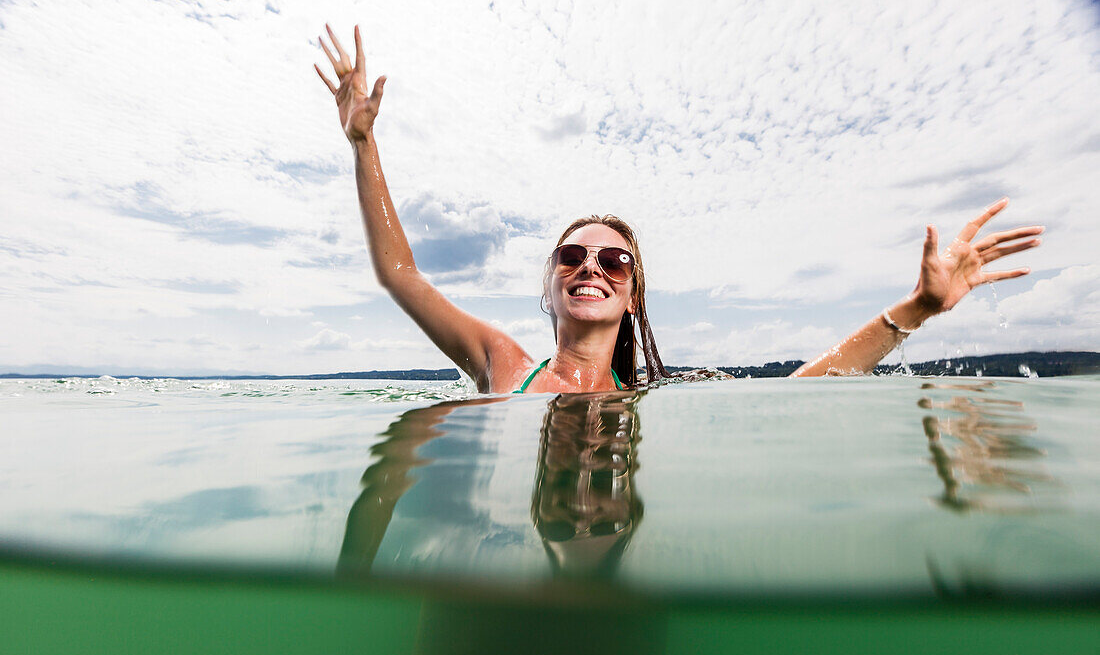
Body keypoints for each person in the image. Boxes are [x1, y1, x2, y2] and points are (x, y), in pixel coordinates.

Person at [315, 25, 1044, 392]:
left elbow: (799, 393)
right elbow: (402, 274)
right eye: (572, 255)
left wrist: (916, 306)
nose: (591, 266)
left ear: (633, 296)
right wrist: (363, 144)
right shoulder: (506, 368)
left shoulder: (653, 405)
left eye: (614, 260)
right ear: (550, 285)